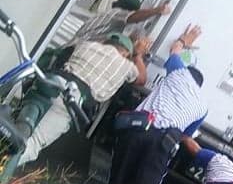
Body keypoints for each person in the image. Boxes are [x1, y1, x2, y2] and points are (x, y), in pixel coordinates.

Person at [83, 25, 208, 184]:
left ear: (188, 72)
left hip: (139, 130)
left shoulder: (178, 72)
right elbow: (185, 135)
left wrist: (186, 40)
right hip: (164, 144)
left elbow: (175, 50)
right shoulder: (202, 107)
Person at [17, 32, 149, 166]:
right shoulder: (126, 65)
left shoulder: (86, 45)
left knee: (17, 126)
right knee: (34, 143)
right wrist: (138, 55)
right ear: (125, 53)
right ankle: (8, 162)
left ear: (106, 42)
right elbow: (142, 79)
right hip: (69, 98)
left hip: (48, 82)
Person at [38, 0, 170, 71]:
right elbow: (133, 17)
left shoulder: (106, 15)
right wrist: (157, 10)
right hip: (75, 54)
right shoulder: (117, 14)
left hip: (70, 50)